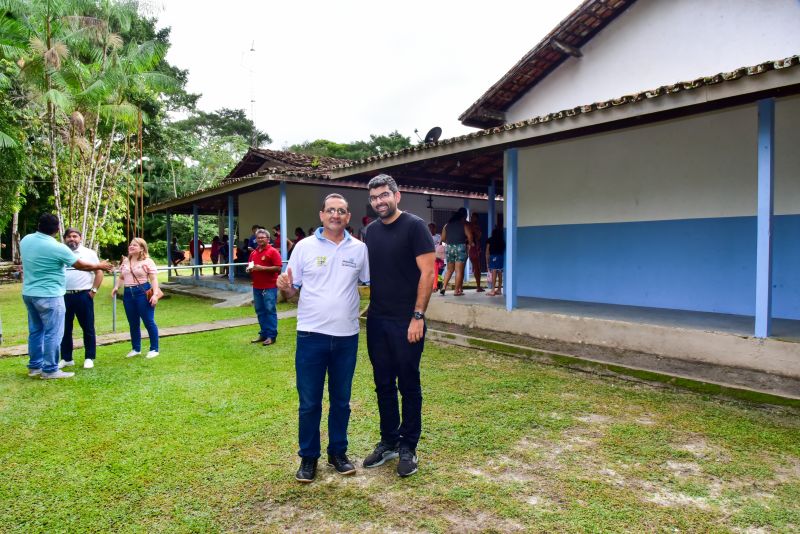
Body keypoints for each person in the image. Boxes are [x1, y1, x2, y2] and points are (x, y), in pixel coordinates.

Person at [277, 193, 370, 483]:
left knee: (341, 401)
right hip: (310, 335)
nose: (336, 215)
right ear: (321, 215)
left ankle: (338, 453)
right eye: (331, 210)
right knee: (309, 402)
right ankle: (308, 458)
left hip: (346, 337)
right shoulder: (303, 247)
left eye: (341, 211)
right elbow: (291, 291)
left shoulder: (359, 249)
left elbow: (367, 285)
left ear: (348, 216)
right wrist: (285, 287)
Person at [363, 174, 435, 477]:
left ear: (397, 195)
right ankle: (389, 441)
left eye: (384, 195)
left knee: (408, 384)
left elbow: (428, 274)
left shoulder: (415, 227)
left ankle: (409, 446)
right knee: (383, 384)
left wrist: (417, 316)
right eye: (375, 197)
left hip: (407, 321)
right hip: (378, 320)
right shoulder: (370, 232)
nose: (380, 201)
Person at [20, 214, 112, 379]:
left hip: (29, 293)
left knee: (35, 331)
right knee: (53, 332)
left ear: (38, 225)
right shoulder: (57, 247)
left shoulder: (26, 240)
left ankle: (35, 367)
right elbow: (80, 265)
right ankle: (50, 370)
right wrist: (101, 265)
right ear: (57, 230)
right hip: (50, 295)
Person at [59, 228, 103, 370]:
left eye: (75, 236)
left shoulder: (89, 253)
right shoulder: (60, 253)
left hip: (83, 295)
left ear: (80, 238)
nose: (72, 239)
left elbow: (99, 272)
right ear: (64, 239)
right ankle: (66, 358)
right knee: (64, 328)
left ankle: (89, 357)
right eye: (69, 237)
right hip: (64, 295)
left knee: (88, 327)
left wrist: (93, 290)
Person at [112, 238, 161, 359]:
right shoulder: (125, 261)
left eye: (135, 245)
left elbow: (153, 279)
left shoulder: (148, 261)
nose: (131, 246)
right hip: (128, 293)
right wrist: (116, 287)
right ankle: (136, 348)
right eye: (130, 245)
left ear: (142, 248)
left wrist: (155, 294)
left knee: (148, 321)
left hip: (142, 292)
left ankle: (154, 349)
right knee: (133, 322)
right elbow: (122, 277)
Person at [247, 229, 282, 346]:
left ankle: (272, 336)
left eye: (263, 237)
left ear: (268, 239)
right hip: (257, 286)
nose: (260, 239)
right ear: (255, 239)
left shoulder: (273, 252)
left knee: (270, 310)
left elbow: (278, 268)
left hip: (269, 287)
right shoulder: (254, 253)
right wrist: (249, 269)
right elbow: (250, 265)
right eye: (258, 238)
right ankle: (263, 334)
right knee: (260, 311)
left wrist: (262, 268)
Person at [439, 208, 472, 296]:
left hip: (449, 248)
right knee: (458, 271)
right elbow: (470, 237)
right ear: (461, 217)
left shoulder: (446, 226)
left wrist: (445, 246)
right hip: (460, 247)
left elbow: (442, 240)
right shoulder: (464, 225)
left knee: (449, 270)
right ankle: (456, 291)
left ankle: (443, 287)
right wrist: (469, 244)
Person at [485, 224, 505, 296]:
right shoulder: (502, 241)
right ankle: (499, 289)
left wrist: (487, 262)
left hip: (493, 257)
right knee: (499, 272)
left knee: (494, 272)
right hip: (501, 257)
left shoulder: (490, 240)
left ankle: (492, 290)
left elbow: (487, 252)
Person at [467, 215, 484, 292]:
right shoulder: (470, 226)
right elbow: (479, 236)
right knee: (477, 268)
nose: (473, 219)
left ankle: (478, 286)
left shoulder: (473, 226)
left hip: (474, 248)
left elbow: (479, 236)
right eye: (472, 217)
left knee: (477, 268)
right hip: (473, 248)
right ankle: (478, 286)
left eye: (474, 217)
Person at [429, 222, 445, 287]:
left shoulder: (439, 236)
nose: (431, 230)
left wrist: (442, 245)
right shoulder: (427, 237)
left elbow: (443, 245)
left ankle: (439, 284)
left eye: (433, 228)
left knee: (440, 271)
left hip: (439, 257)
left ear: (435, 229)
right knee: (433, 272)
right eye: (430, 228)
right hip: (431, 257)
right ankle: (433, 285)